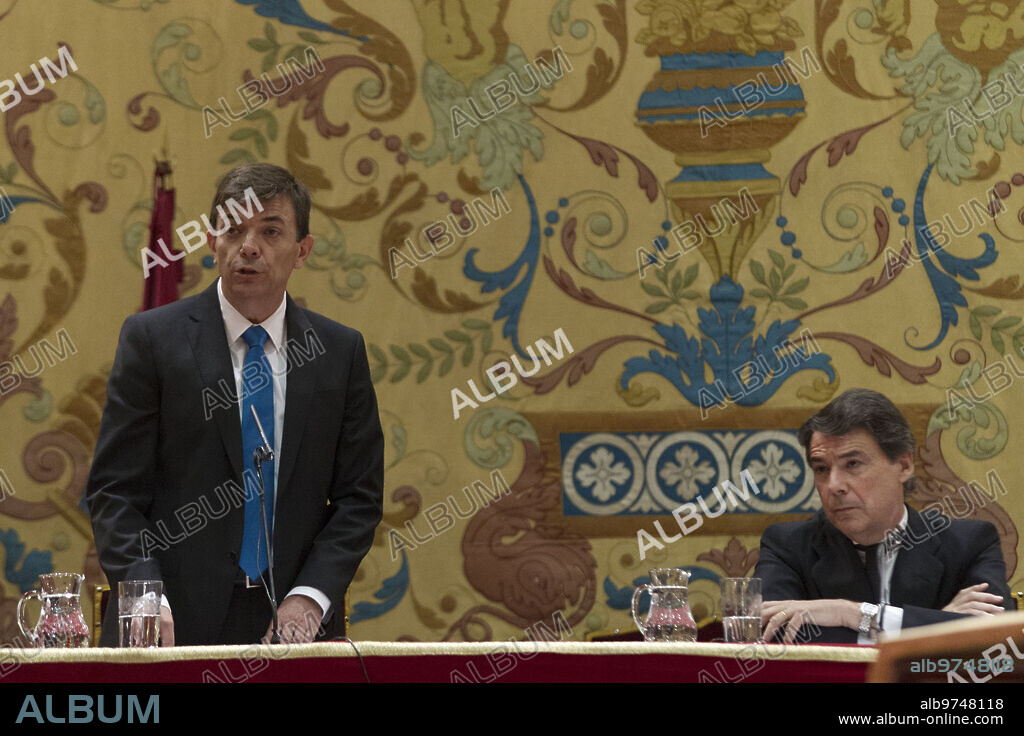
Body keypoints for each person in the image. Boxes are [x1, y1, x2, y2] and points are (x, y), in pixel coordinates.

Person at [87, 163, 384, 646]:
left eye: (270, 231)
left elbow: (359, 500)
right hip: (168, 622)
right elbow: (113, 493)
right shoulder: (153, 340)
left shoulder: (338, 352)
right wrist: (145, 594)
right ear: (211, 242)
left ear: (302, 250)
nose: (249, 246)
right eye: (233, 229)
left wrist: (309, 597)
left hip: (291, 627)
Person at [754, 388, 1012, 644]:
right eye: (821, 468)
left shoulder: (970, 543)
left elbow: (998, 636)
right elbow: (773, 636)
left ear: (903, 466)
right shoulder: (786, 546)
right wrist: (937, 626)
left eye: (852, 464)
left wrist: (853, 614)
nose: (834, 485)